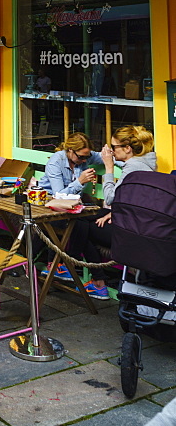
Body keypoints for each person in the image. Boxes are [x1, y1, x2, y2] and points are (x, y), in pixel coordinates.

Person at [67, 125, 156, 301]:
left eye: (114, 147)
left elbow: (109, 198)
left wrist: (108, 167)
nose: (112, 152)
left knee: (80, 223)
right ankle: (93, 279)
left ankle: (84, 273)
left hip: (129, 232)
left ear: (127, 149)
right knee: (85, 217)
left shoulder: (133, 168)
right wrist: (114, 212)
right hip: (134, 222)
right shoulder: (146, 162)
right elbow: (131, 198)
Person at [38, 132, 102, 196]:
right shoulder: (56, 162)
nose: (85, 160)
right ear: (70, 150)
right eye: (81, 157)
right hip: (49, 197)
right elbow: (59, 196)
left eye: (87, 157)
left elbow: (105, 157)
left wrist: (110, 152)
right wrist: (80, 181)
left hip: (74, 200)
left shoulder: (84, 154)